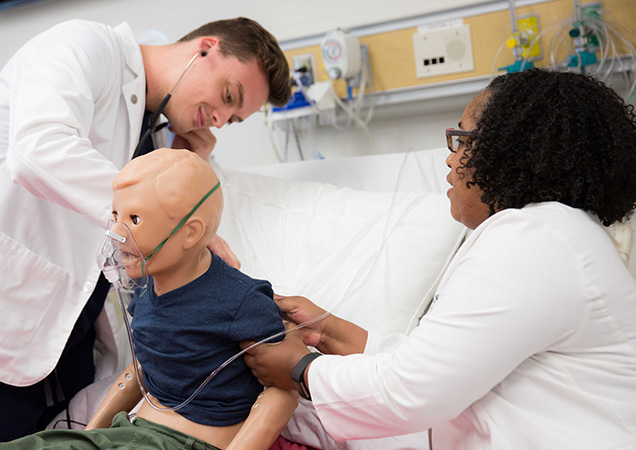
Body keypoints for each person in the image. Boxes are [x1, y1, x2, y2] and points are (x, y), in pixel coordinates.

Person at [0, 16, 291, 446]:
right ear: (205, 47)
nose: (221, 119)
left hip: (61, 335)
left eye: (234, 118)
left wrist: (187, 162)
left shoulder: (157, 134)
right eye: (228, 96)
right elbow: (37, 147)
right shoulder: (86, 46)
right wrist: (157, 214)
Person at [243, 69, 636, 449]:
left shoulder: (535, 237)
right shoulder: (556, 234)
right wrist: (327, 332)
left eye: (462, 140)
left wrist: (298, 370)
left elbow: (410, 391)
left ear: (508, 148)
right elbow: (438, 367)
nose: (450, 160)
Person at [0, 148, 298, 450]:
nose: (117, 233)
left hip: (190, 443)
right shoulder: (143, 289)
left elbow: (281, 390)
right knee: (36, 445)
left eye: (135, 219)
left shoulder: (241, 301)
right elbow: (140, 370)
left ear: (192, 232)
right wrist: (91, 433)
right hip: (136, 433)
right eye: (115, 214)